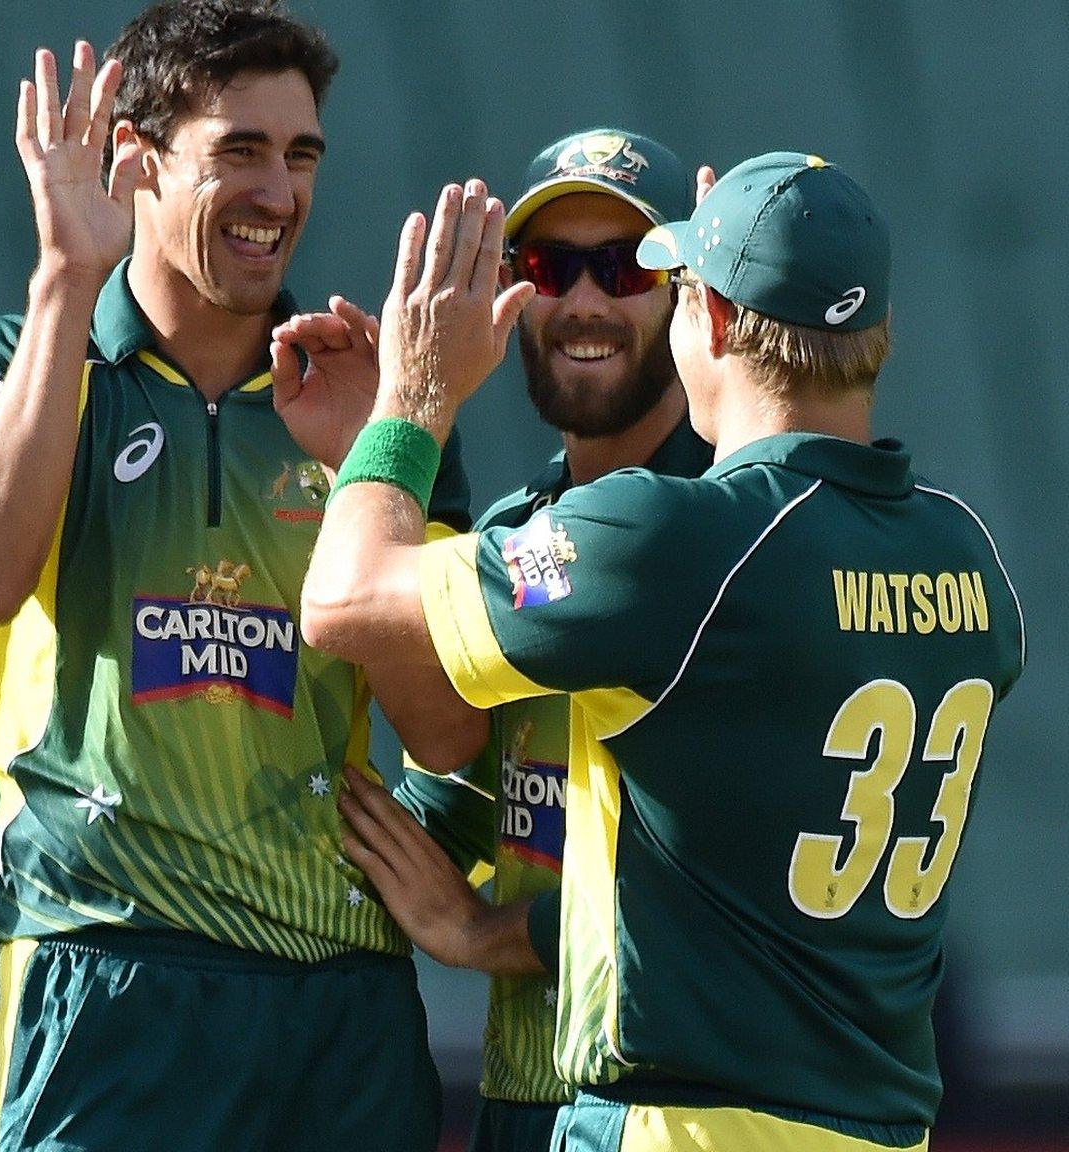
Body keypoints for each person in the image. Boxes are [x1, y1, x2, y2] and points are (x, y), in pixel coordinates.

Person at [301, 158, 1024, 1149]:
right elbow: (727, 880)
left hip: (682, 1123)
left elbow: (342, 598)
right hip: (876, 1127)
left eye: (676, 288)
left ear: (714, 325)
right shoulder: (968, 560)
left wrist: (412, 398)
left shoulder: (675, 539)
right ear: (875, 339)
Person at [0, 4, 473, 1148]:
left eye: (299, 154)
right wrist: (66, 276)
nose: (278, 194)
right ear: (134, 161)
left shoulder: (373, 404)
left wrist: (378, 462)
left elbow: (449, 734)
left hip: (339, 997)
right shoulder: (1, 363)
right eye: (238, 153)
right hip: (108, 969)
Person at [279, 127, 706, 1152]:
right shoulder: (518, 533)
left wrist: (481, 933)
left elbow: (723, 897)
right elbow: (465, 799)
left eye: (627, 266)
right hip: (524, 1107)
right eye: (550, 269)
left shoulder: (733, 528)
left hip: (678, 1115)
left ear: (690, 294)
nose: (586, 302)